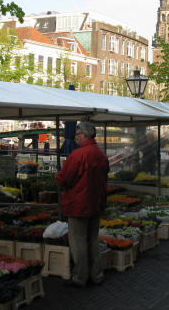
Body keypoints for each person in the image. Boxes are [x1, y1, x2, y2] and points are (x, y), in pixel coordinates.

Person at [55, 122, 109, 287]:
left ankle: (80, 277)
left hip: (78, 205)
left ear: (84, 135)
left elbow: (63, 178)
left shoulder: (78, 155)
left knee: (78, 242)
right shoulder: (101, 154)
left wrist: (58, 178)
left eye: (77, 134)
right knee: (93, 240)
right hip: (96, 203)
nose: (75, 137)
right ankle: (97, 274)